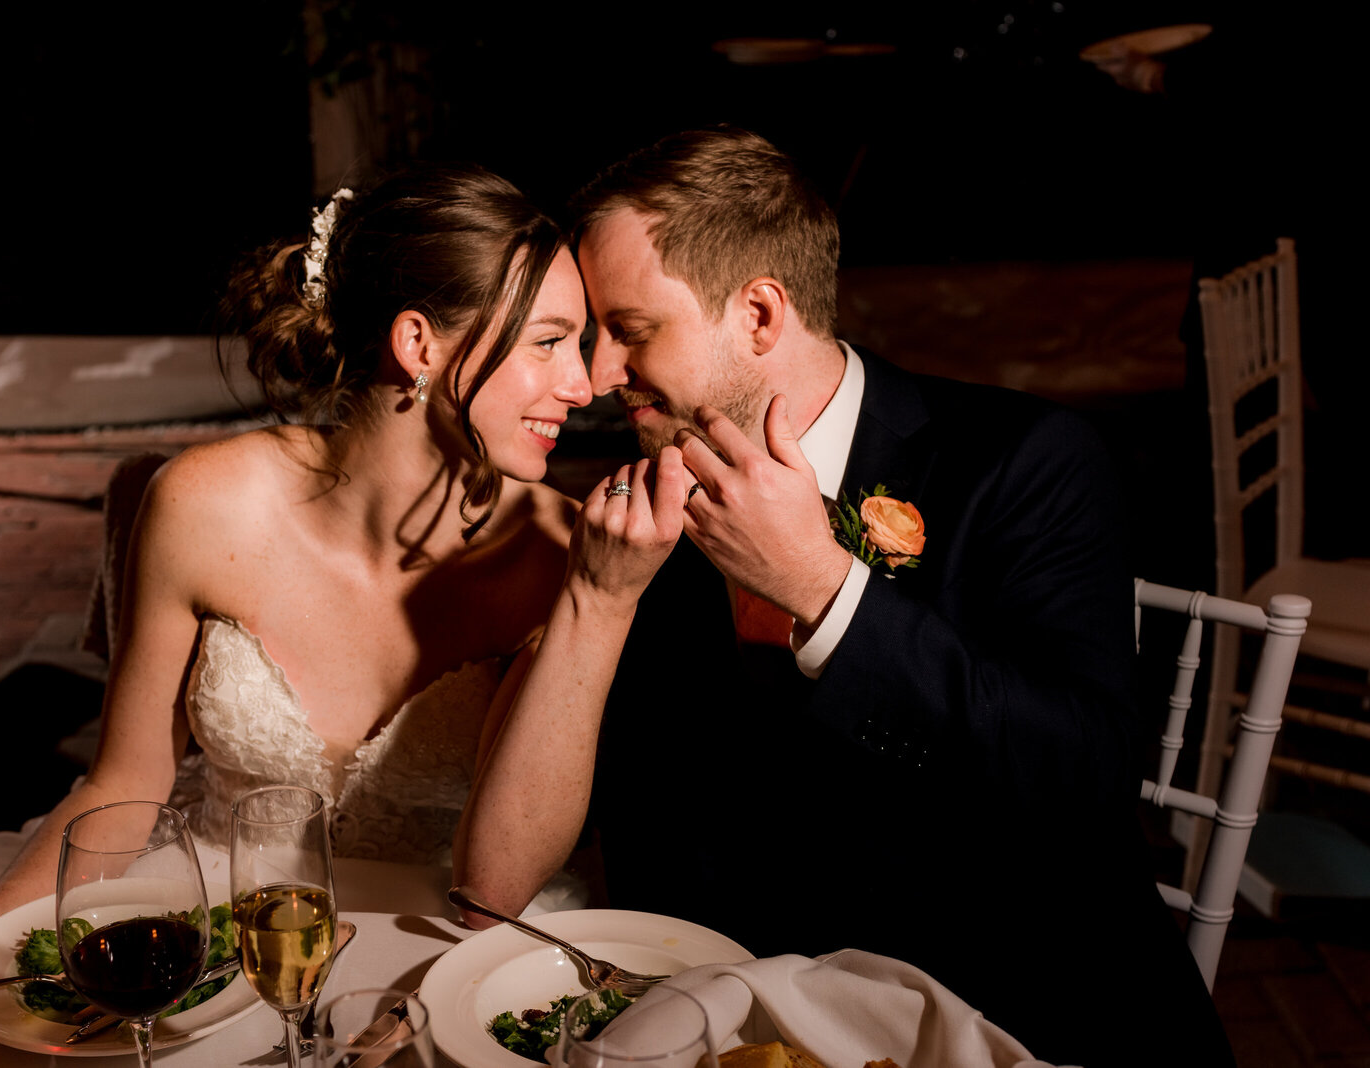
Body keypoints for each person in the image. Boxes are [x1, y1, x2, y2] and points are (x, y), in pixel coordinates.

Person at [0, 163, 687, 1030]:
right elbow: (124, 778)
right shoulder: (200, 505)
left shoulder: (568, 555)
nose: (584, 385)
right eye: (549, 342)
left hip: (450, 960)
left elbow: (489, 891)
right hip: (222, 927)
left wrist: (601, 601)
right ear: (418, 345)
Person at [463, 128, 1234, 1067]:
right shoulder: (640, 511)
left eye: (628, 331)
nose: (597, 378)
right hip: (732, 1018)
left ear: (757, 315)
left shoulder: (1027, 461)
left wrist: (825, 591)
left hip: (1009, 1008)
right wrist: (596, 601)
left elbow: (1084, 780)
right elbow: (583, 849)